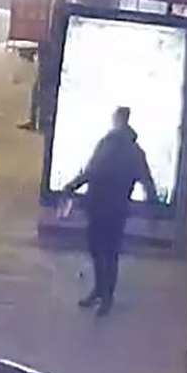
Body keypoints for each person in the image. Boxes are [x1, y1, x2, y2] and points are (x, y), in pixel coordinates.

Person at [62, 106, 157, 316]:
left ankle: (102, 292)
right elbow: (147, 182)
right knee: (109, 252)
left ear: (117, 120)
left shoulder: (107, 145)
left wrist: (71, 186)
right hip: (116, 208)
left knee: (98, 250)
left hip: (98, 204)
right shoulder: (135, 151)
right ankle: (104, 294)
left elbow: (91, 172)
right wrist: (153, 211)